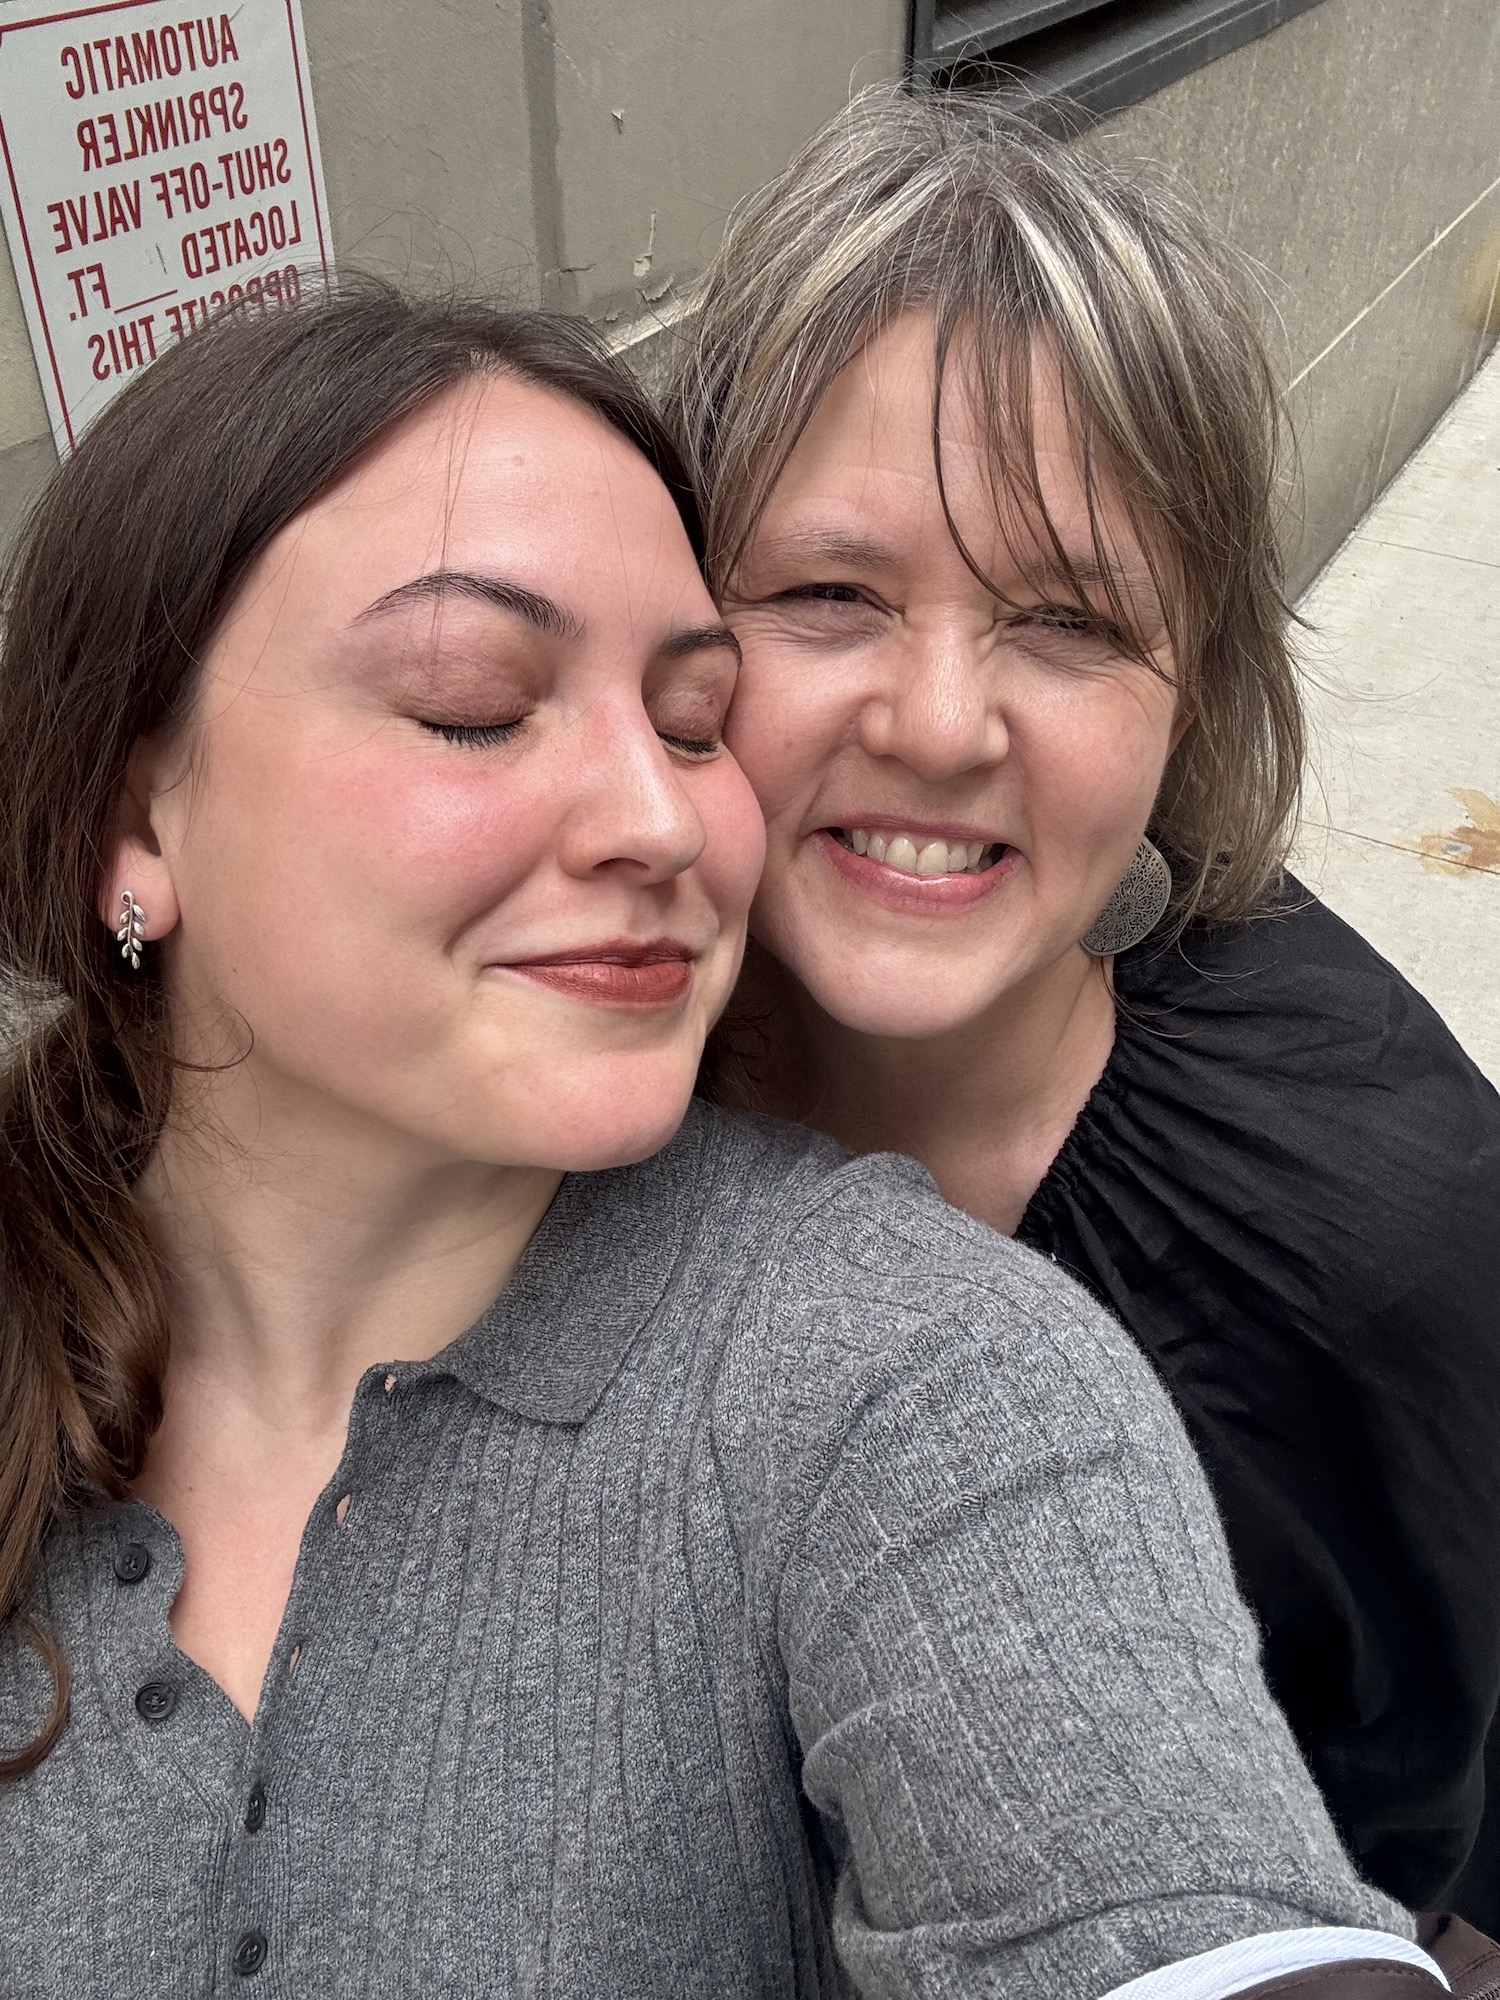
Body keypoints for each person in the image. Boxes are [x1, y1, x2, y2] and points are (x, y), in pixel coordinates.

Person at [0, 279, 1465, 1999]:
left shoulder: (918, 1373)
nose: (661, 816)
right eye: (476, 701)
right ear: (130, 818)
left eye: (693, 722)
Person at [674, 84, 1500, 1928]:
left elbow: (1393, 1846)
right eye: (830, 590)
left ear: (1195, 694)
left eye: (1066, 623)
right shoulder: (559, 1085)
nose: (938, 723)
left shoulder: (1374, 1235)